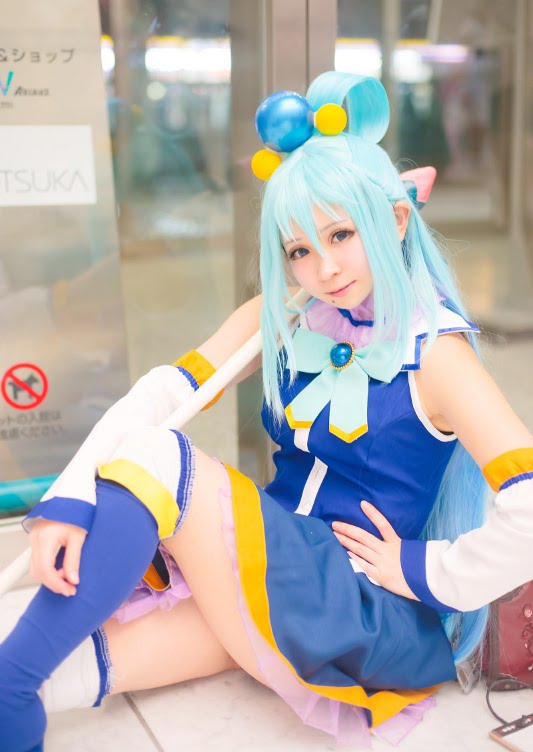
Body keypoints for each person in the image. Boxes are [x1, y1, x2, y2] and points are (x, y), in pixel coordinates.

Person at [1, 70, 532, 752]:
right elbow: (164, 394)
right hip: (273, 576)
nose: (323, 269)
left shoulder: (436, 354)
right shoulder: (286, 314)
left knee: (158, 457)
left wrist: (424, 570)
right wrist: (70, 498)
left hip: (359, 606)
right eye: (299, 250)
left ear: (395, 220)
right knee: (53, 664)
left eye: (341, 235)